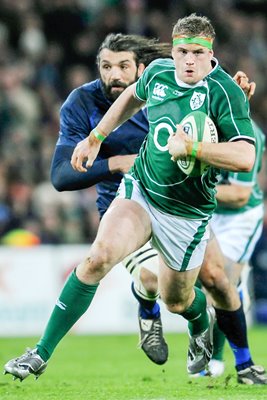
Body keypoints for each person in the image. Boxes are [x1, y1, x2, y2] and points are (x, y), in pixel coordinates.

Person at [3, 13, 261, 384]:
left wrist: (193, 147)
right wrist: (96, 136)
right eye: (182, 51)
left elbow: (245, 156)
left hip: (186, 213)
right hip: (141, 189)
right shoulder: (157, 72)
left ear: (211, 54)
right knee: (97, 258)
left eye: (197, 53)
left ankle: (200, 324)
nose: (188, 61)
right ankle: (40, 353)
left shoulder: (226, 92)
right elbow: (131, 97)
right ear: (172, 51)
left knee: (178, 300)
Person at [49, 33, 173, 366]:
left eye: (122, 66)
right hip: (123, 208)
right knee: (149, 279)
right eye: (106, 66)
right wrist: (117, 163)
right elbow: (61, 176)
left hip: (176, 204)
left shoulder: (167, 94)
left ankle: (226, 361)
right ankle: (148, 311)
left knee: (205, 287)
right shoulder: (82, 103)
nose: (113, 75)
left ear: (141, 69)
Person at [199, 119, 266, 378]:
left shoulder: (249, 134)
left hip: (240, 218)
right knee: (198, 286)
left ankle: (218, 359)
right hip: (208, 210)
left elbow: (240, 195)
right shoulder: (195, 122)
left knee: (219, 281)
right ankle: (236, 293)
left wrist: (196, 188)